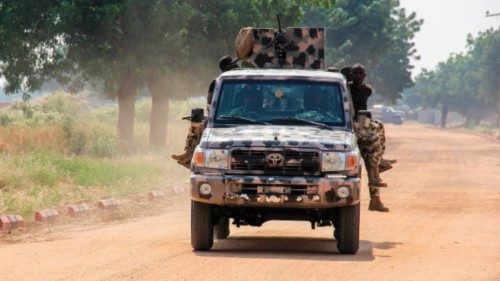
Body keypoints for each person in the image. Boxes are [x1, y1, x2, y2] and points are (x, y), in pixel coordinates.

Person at [172, 55, 238, 168]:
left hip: (243, 114)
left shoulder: (244, 79)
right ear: (228, 67)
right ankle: (190, 153)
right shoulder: (217, 82)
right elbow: (210, 102)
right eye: (233, 65)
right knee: (196, 126)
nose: (236, 66)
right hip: (221, 115)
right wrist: (215, 112)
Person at [347, 63, 393, 212]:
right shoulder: (346, 88)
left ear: (365, 75)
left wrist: (363, 123)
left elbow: (365, 110)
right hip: (349, 121)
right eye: (355, 74)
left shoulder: (368, 90)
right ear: (351, 75)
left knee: (378, 125)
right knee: (372, 151)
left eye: (361, 74)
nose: (358, 77)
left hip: (363, 119)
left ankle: (380, 160)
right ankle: (377, 161)